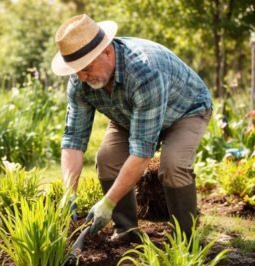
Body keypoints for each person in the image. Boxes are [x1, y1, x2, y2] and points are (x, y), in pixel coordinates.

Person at [52, 15, 212, 242]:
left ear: (107, 52)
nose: (81, 77)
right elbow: (73, 139)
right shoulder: (80, 81)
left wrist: (107, 202)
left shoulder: (144, 72)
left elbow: (142, 153)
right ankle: (126, 230)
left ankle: (186, 239)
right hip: (131, 115)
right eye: (76, 70)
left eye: (86, 68)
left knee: (174, 164)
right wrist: (69, 193)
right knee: (108, 159)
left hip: (185, 111)